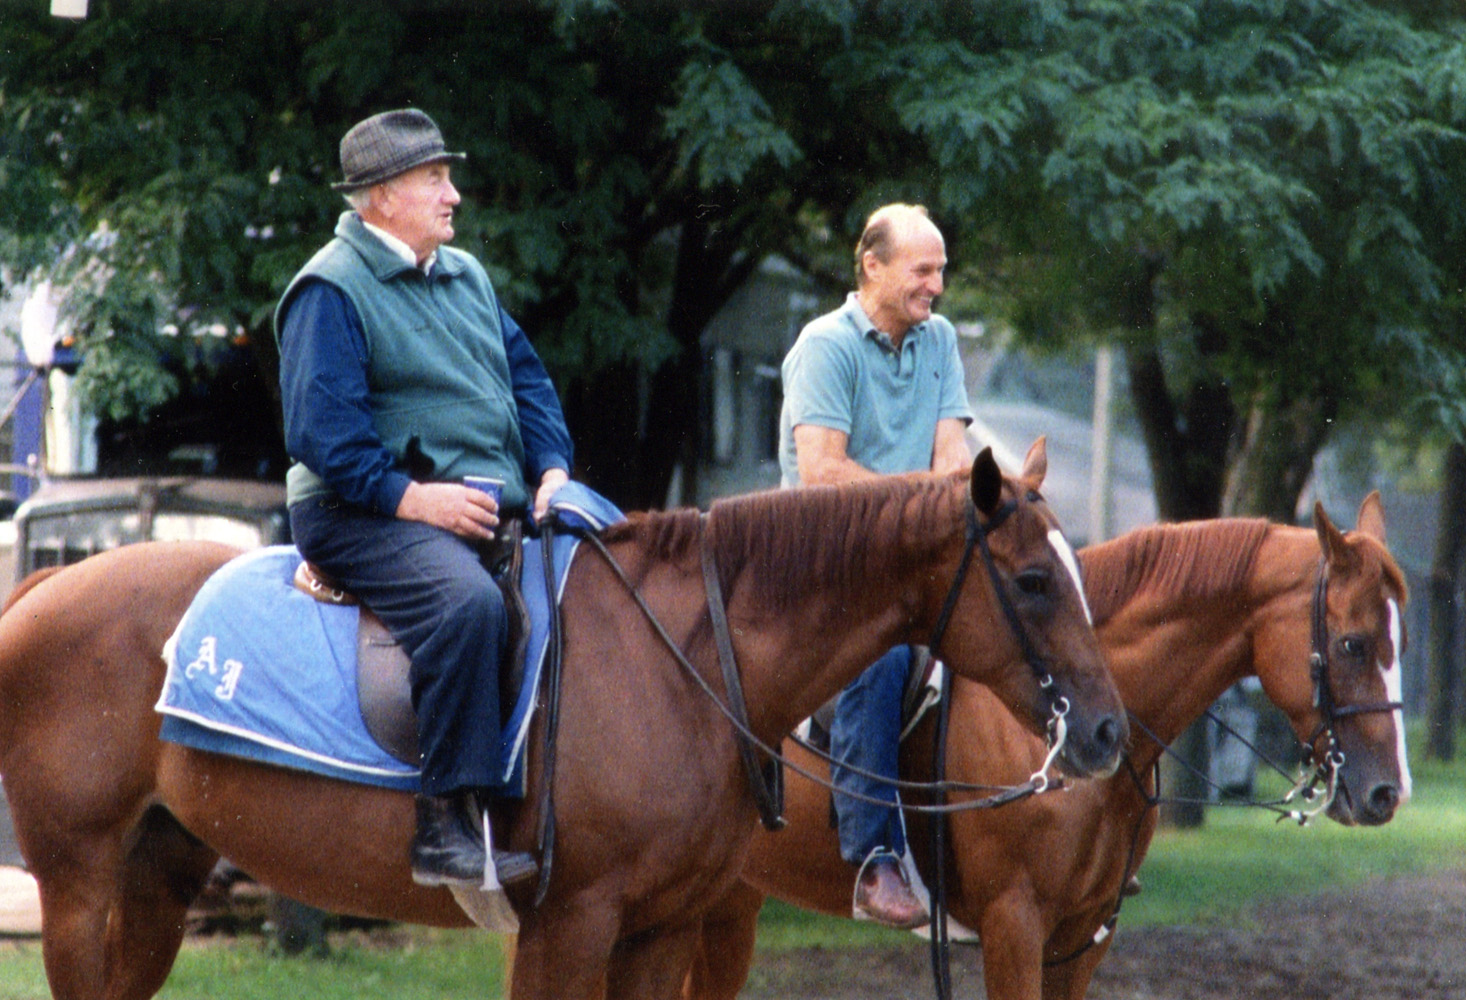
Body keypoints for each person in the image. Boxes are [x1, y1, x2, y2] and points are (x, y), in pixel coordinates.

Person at [275, 109, 574, 889]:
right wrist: (416, 502)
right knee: (467, 607)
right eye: (435, 179)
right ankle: (443, 827)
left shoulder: (464, 274)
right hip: (356, 513)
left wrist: (551, 468)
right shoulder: (328, 289)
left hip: (482, 503)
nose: (455, 195)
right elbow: (323, 437)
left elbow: (530, 380)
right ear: (380, 199)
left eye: (448, 176)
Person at [778, 203, 973, 928]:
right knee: (882, 656)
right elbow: (822, 472)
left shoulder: (940, 340)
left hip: (917, 556)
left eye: (941, 271)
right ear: (874, 267)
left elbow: (952, 455)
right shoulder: (824, 346)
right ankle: (871, 859)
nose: (937, 287)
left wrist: (943, 502)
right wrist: (924, 502)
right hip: (832, 561)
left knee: (1018, 624)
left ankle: (1053, 832)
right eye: (924, 270)